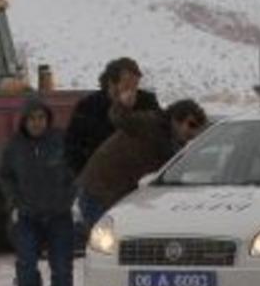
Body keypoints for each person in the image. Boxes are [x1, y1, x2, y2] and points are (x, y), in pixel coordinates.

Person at [65, 58, 161, 248]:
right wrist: (82, 176)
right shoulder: (89, 107)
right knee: (106, 244)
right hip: (98, 189)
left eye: (135, 85)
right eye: (126, 84)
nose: (131, 90)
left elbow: (159, 136)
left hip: (135, 189)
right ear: (111, 83)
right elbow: (72, 145)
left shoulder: (147, 103)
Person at [0, 97, 76, 286]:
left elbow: (76, 168)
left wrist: (69, 195)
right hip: (27, 217)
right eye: (31, 118)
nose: (36, 123)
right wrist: (13, 201)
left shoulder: (61, 142)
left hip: (59, 215)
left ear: (48, 119)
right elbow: (5, 176)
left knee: (62, 269)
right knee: (26, 265)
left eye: (41, 118)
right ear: (23, 120)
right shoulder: (14, 146)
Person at [78, 96, 208, 229]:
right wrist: (122, 104)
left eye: (197, 128)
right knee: (106, 241)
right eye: (191, 124)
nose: (193, 132)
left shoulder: (176, 148)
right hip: (98, 192)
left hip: (124, 198)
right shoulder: (150, 123)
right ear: (175, 118)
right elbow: (121, 118)